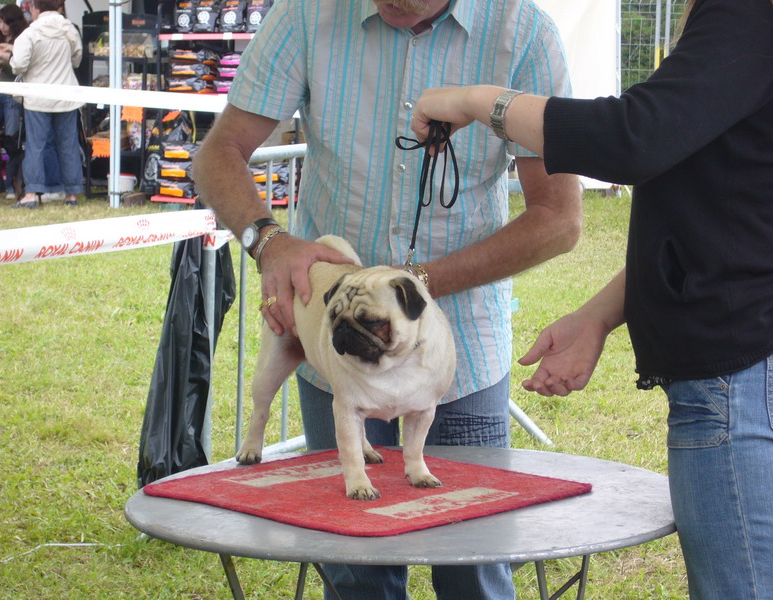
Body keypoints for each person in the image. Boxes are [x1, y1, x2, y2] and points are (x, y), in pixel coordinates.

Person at [193, 1, 582, 598]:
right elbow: (218, 153)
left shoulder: (523, 32)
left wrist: (414, 286)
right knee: (354, 571)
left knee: (474, 568)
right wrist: (268, 242)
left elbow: (559, 220)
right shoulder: (305, 15)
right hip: (337, 354)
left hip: (462, 354)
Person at [410, 0, 773, 598]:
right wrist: (600, 315)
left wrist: (481, 102)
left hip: (740, 377)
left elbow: (636, 136)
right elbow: (727, 207)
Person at [9, 0, 83, 208]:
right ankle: (72, 195)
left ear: (35, 8)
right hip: (66, 96)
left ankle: (31, 194)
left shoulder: (29, 34)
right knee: (68, 146)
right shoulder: (69, 30)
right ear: (58, 7)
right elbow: (77, 60)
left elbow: (18, 65)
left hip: (37, 97)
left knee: (35, 146)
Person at [0, 3, 29, 201]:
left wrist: (6, 59)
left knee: (11, 142)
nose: (1, 26)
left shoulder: (23, 39)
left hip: (12, 95)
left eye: (6, 22)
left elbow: (20, 70)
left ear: (14, 23)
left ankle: (12, 186)